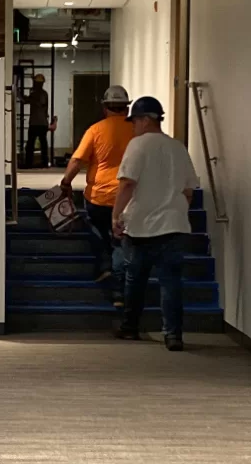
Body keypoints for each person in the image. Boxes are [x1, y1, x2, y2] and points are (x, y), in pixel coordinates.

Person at [113, 95, 200, 351]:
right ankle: (173, 335)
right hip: (173, 226)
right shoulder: (178, 147)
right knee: (171, 283)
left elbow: (127, 183)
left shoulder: (137, 146)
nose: (133, 126)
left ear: (144, 120)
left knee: (135, 280)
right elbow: (188, 190)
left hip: (141, 226)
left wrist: (116, 216)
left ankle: (130, 328)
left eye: (134, 121)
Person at [60, 85, 135, 300]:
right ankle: (120, 288)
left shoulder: (95, 130)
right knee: (120, 238)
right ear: (126, 109)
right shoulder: (137, 131)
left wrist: (66, 182)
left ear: (105, 108)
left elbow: (77, 160)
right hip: (129, 197)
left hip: (99, 197)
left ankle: (105, 266)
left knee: (96, 227)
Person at [23, 75, 52, 168]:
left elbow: (35, 102)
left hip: (37, 123)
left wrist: (28, 98)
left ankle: (30, 163)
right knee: (41, 143)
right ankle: (43, 163)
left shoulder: (39, 94)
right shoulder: (41, 93)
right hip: (41, 123)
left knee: (31, 144)